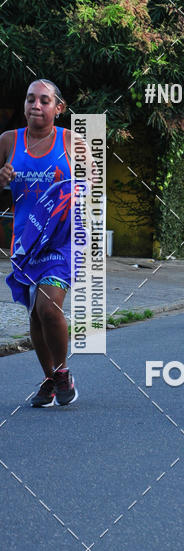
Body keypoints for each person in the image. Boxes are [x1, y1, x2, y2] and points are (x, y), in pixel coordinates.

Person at [0, 79, 77, 407]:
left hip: (62, 241)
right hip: (25, 241)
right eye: (31, 99)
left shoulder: (73, 142)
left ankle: (62, 372)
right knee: (35, 314)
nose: (36, 105)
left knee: (48, 307)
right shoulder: (8, 141)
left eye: (44, 100)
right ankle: (51, 378)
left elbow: (94, 192)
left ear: (58, 108)